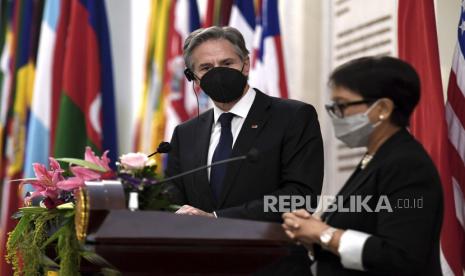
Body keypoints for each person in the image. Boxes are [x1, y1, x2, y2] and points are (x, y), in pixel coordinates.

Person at [282, 56, 443, 275]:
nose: (336, 115)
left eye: (342, 105)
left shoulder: (407, 165)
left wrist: (324, 234)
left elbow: (401, 256)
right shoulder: (376, 158)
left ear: (383, 108)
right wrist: (310, 233)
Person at [165, 26, 324, 223]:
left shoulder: (294, 116)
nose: (218, 72)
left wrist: (217, 218)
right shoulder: (185, 133)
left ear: (246, 64)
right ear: (193, 78)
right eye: (206, 68)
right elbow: (171, 195)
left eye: (227, 63)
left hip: (271, 249)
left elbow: (301, 196)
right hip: (201, 250)